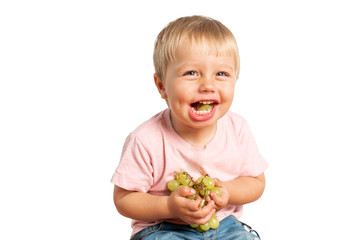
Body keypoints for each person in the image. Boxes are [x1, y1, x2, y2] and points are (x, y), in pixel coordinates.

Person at [111, 15, 268, 240]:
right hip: (165, 228)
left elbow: (256, 182)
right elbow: (124, 199)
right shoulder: (145, 139)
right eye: (191, 73)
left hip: (223, 226)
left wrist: (227, 191)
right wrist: (168, 207)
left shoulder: (237, 128)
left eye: (221, 74)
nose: (207, 85)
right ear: (162, 85)